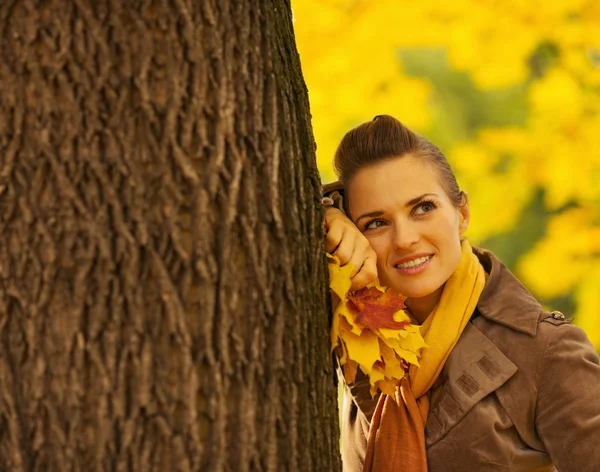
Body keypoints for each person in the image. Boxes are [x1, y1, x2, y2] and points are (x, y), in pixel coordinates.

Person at [322, 115, 600, 472]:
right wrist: (326, 213)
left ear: (462, 213)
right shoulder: (356, 333)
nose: (405, 239)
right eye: (376, 223)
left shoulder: (545, 351)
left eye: (423, 207)